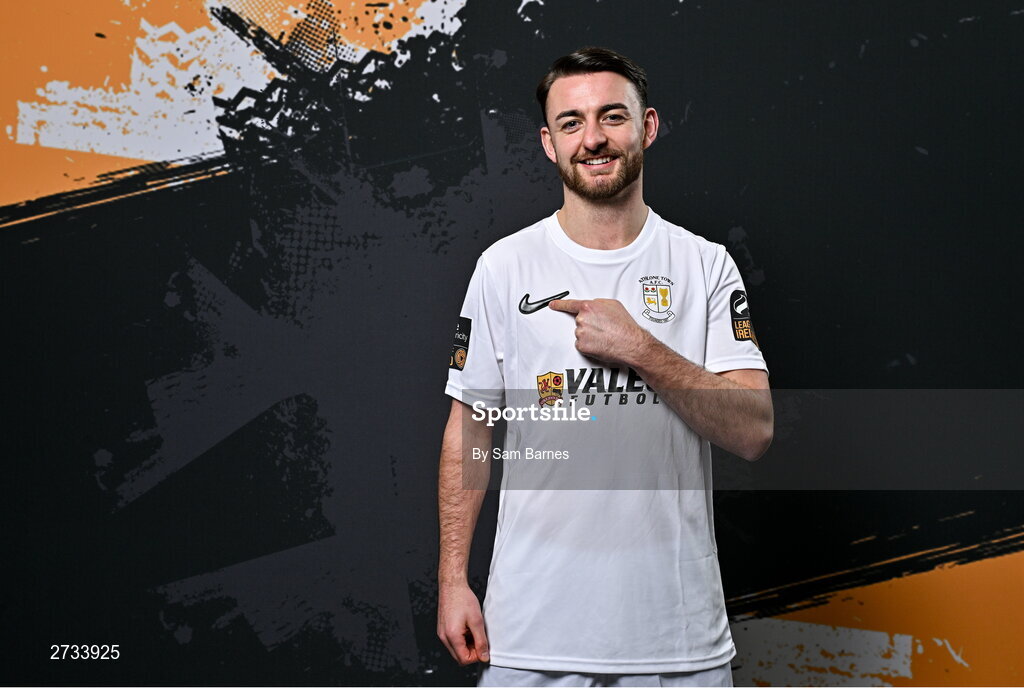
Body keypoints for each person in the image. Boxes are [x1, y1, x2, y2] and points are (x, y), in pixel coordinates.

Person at [437, 46, 772, 687]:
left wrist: (639, 348)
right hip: (531, 637)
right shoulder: (504, 268)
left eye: (612, 117)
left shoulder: (705, 267)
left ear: (646, 127)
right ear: (548, 143)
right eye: (572, 123)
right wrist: (454, 579)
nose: (593, 138)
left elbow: (753, 431)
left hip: (676, 642)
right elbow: (471, 429)